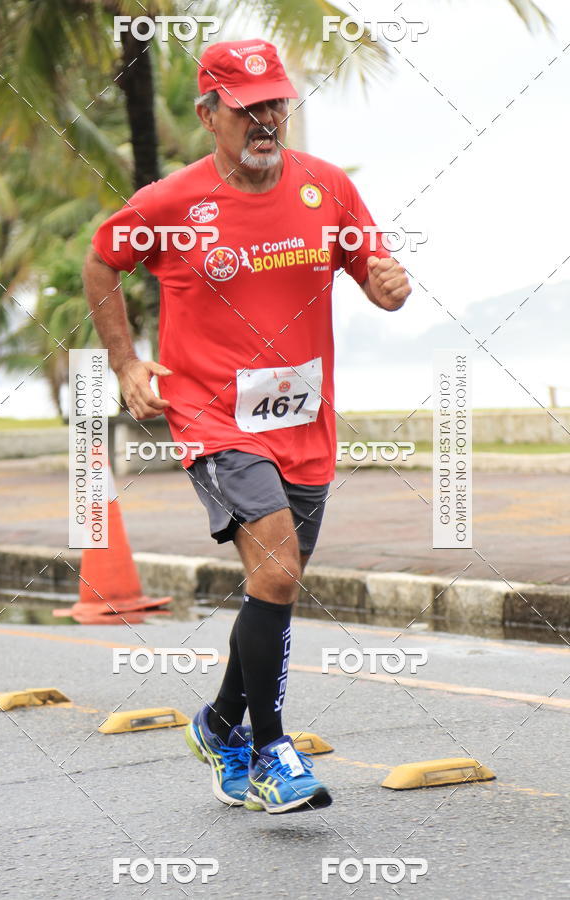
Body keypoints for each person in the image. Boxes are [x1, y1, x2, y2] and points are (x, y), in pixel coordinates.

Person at [83, 37, 411, 814]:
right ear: (209, 115)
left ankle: (221, 721)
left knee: (276, 583)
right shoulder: (171, 203)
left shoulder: (326, 189)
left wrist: (389, 287)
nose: (266, 119)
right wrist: (128, 365)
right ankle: (270, 753)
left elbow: (374, 274)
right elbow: (101, 262)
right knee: (277, 571)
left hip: (304, 419)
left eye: (275, 103)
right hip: (210, 415)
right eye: (246, 108)